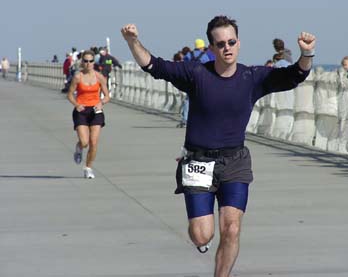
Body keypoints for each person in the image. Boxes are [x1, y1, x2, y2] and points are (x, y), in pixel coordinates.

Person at [121, 15, 315, 277]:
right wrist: (133, 42)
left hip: (235, 162)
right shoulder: (195, 74)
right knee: (202, 236)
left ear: (239, 43)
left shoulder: (252, 76)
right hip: (198, 161)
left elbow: (294, 76)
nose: (227, 47)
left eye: (231, 41)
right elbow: (154, 66)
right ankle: (202, 240)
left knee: (232, 228)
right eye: (220, 43)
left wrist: (307, 54)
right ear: (212, 48)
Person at [67, 50, 110, 179]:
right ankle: (79, 148)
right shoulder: (77, 77)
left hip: (96, 111)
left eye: (91, 61)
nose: (88, 63)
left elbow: (107, 96)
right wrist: (76, 104)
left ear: (94, 62)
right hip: (81, 110)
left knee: (93, 142)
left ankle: (88, 168)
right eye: (85, 61)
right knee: (85, 142)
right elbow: (69, 94)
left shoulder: (99, 76)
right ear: (82, 62)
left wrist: (101, 103)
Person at [177, 39, 211, 128]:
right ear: (202, 47)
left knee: (188, 99)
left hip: (190, 79)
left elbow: (182, 66)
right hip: (201, 79)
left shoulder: (189, 55)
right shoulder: (204, 56)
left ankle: (185, 119)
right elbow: (209, 67)